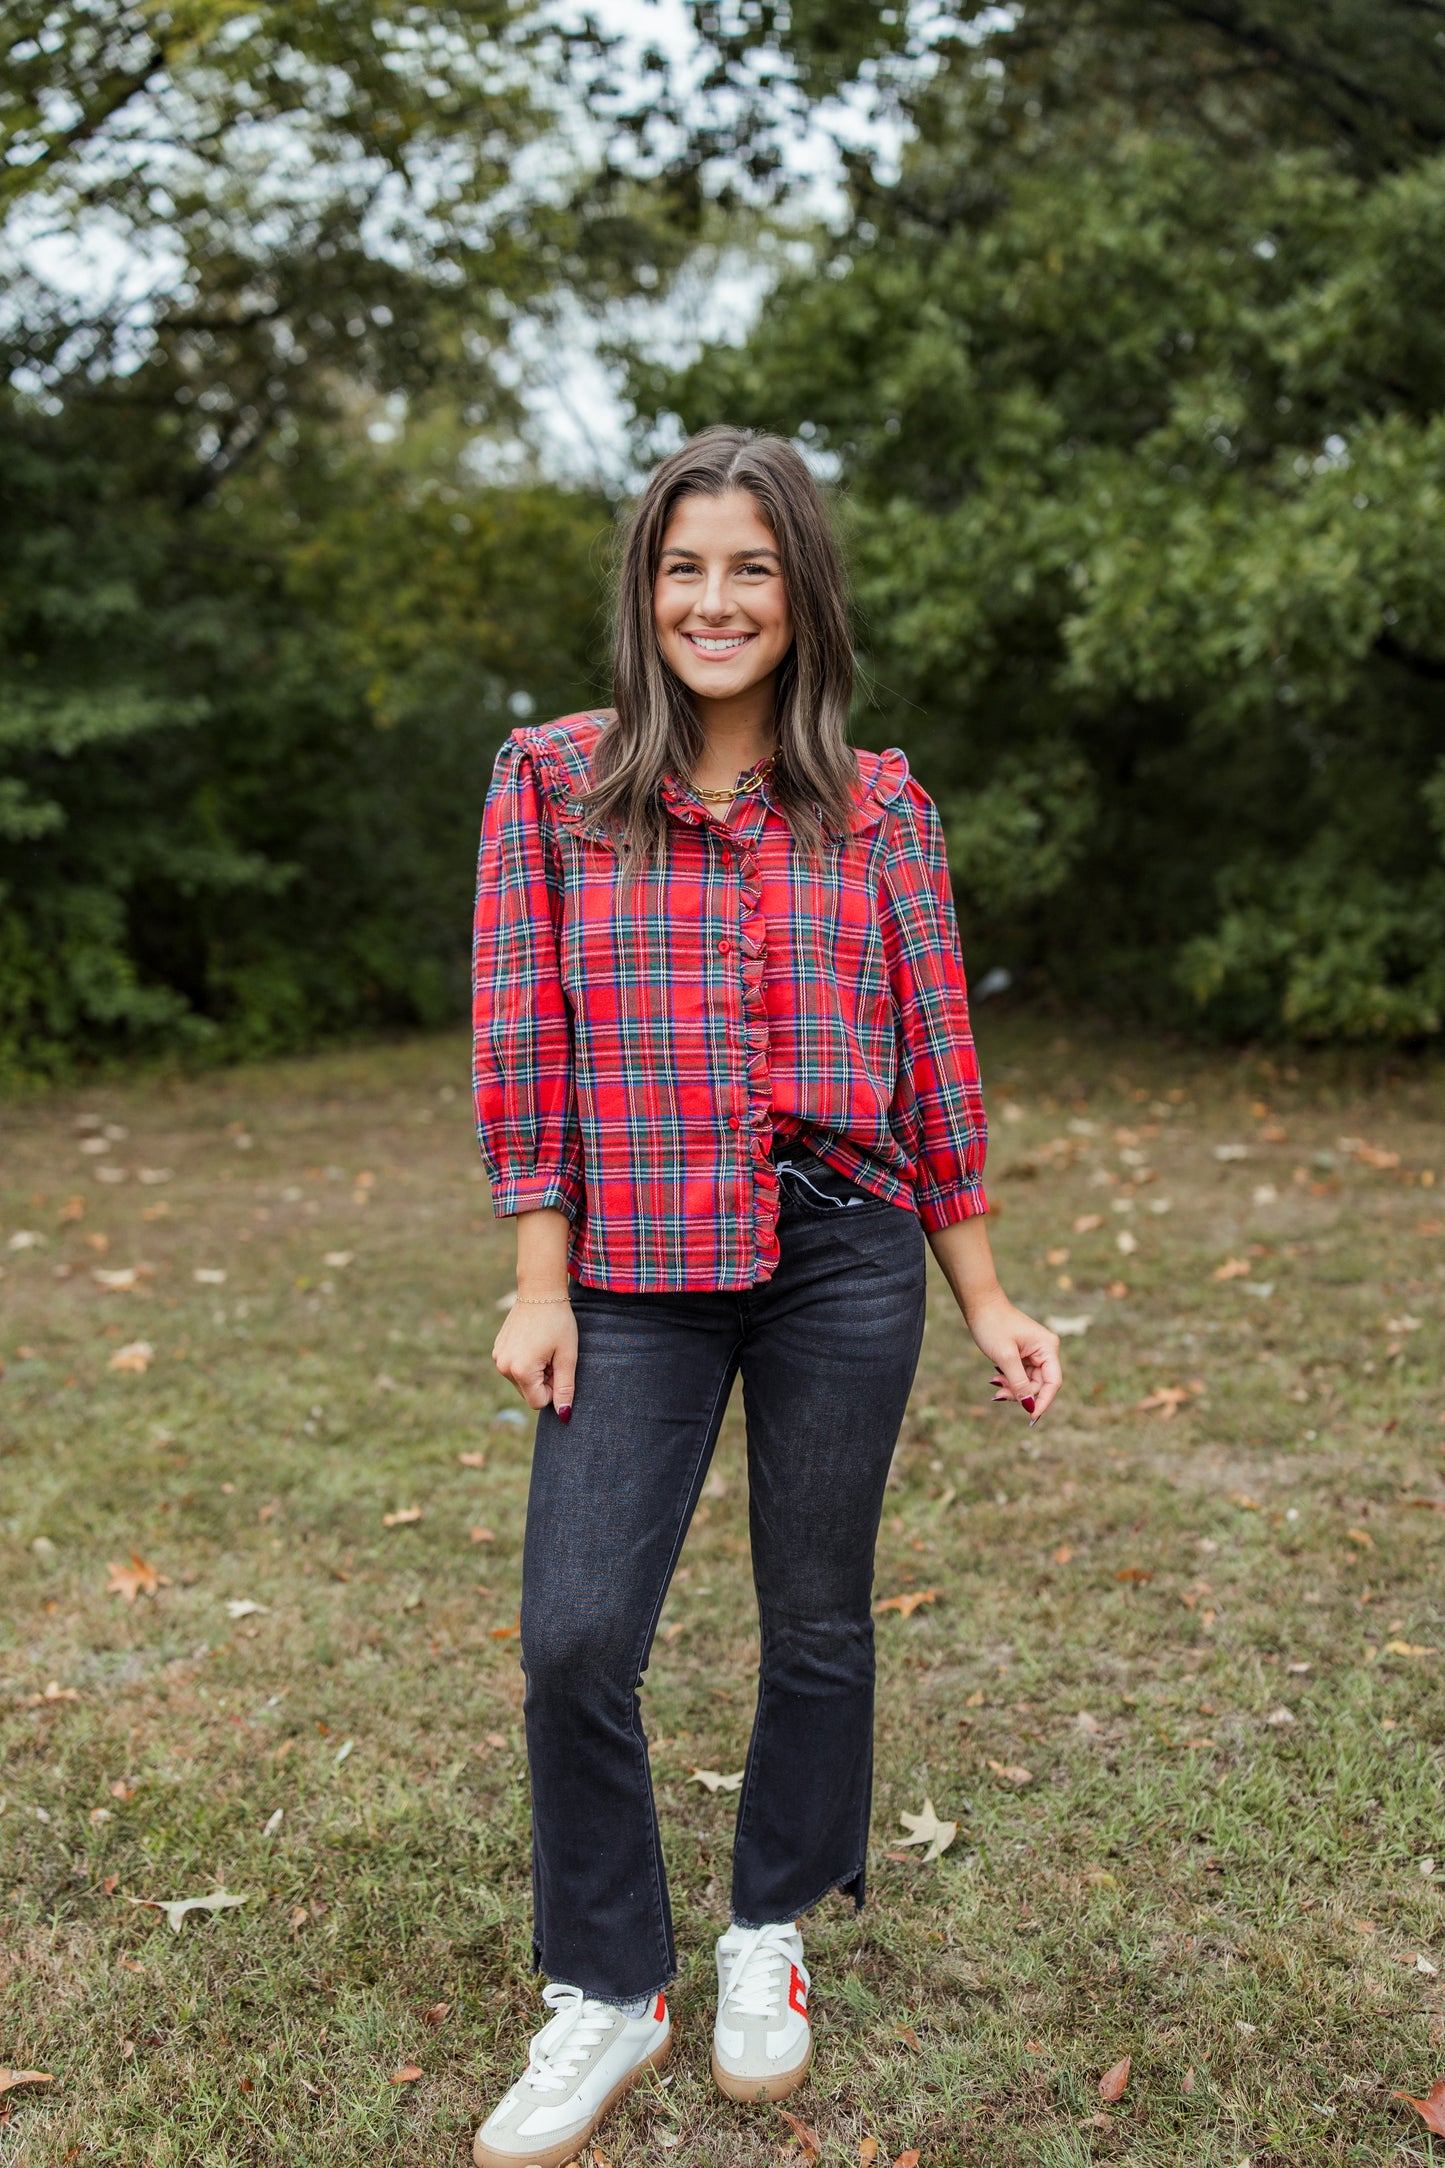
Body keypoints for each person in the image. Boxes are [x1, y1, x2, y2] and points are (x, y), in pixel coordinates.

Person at [469, 425, 1063, 2168]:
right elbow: (527, 1045)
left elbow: (934, 1061)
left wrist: (985, 1293)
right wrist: (537, 1282)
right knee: (575, 1633)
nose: (713, 601)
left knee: (817, 1618)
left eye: (749, 566)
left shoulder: (879, 807)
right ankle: (607, 1986)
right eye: (681, 567)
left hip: (843, 1260)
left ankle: (765, 1935)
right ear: (642, 591)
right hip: (636, 1271)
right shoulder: (551, 781)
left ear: (800, 593)